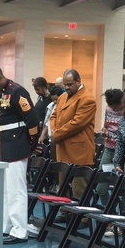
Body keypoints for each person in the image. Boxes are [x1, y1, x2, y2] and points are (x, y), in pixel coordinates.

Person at [0, 65, 40, 245]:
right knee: (7, 190)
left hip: (16, 145)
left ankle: (20, 231)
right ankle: (6, 227)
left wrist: (31, 144)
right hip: (5, 145)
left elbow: (32, 121)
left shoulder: (17, 92)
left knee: (16, 191)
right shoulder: (2, 93)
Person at [51, 68, 97, 201]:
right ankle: (66, 213)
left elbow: (76, 123)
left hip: (79, 151)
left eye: (70, 84)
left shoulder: (87, 99)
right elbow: (54, 116)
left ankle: (82, 219)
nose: (66, 87)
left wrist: (57, 134)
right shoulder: (62, 97)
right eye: (64, 85)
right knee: (63, 187)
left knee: (79, 190)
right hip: (63, 147)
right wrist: (54, 130)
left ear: (78, 81)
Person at [96, 89, 125, 205]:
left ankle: (122, 220)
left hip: (123, 153)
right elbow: (106, 126)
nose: (113, 109)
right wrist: (104, 130)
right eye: (111, 106)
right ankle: (109, 214)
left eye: (116, 107)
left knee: (123, 190)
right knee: (101, 189)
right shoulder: (108, 108)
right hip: (108, 149)